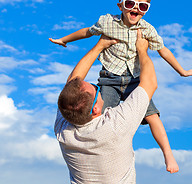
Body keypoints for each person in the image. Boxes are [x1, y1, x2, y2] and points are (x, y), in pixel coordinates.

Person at [50, 0, 192, 173]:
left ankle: (168, 154)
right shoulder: (107, 22)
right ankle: (101, 153)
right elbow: (87, 32)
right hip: (109, 78)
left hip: (134, 80)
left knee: (153, 116)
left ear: (146, 10)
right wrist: (64, 39)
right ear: (120, 5)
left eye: (142, 6)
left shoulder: (147, 30)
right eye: (130, 4)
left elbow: (163, 50)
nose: (136, 8)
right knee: (97, 117)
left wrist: (181, 71)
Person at [54, 31, 158, 183]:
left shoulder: (63, 129)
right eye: (95, 88)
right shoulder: (115, 125)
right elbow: (150, 83)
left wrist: (100, 46)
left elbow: (72, 82)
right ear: (95, 109)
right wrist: (142, 51)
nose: (97, 87)